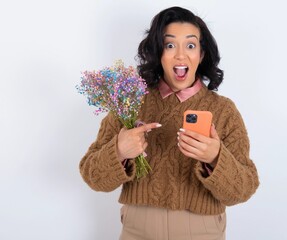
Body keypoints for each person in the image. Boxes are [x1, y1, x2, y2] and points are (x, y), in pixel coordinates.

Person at [80, 6, 259, 240]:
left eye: (191, 45)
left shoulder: (224, 110)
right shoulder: (130, 102)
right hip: (137, 229)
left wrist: (216, 158)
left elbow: (243, 190)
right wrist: (119, 150)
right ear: (158, 52)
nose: (180, 55)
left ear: (202, 55)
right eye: (170, 45)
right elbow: (93, 177)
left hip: (201, 231)